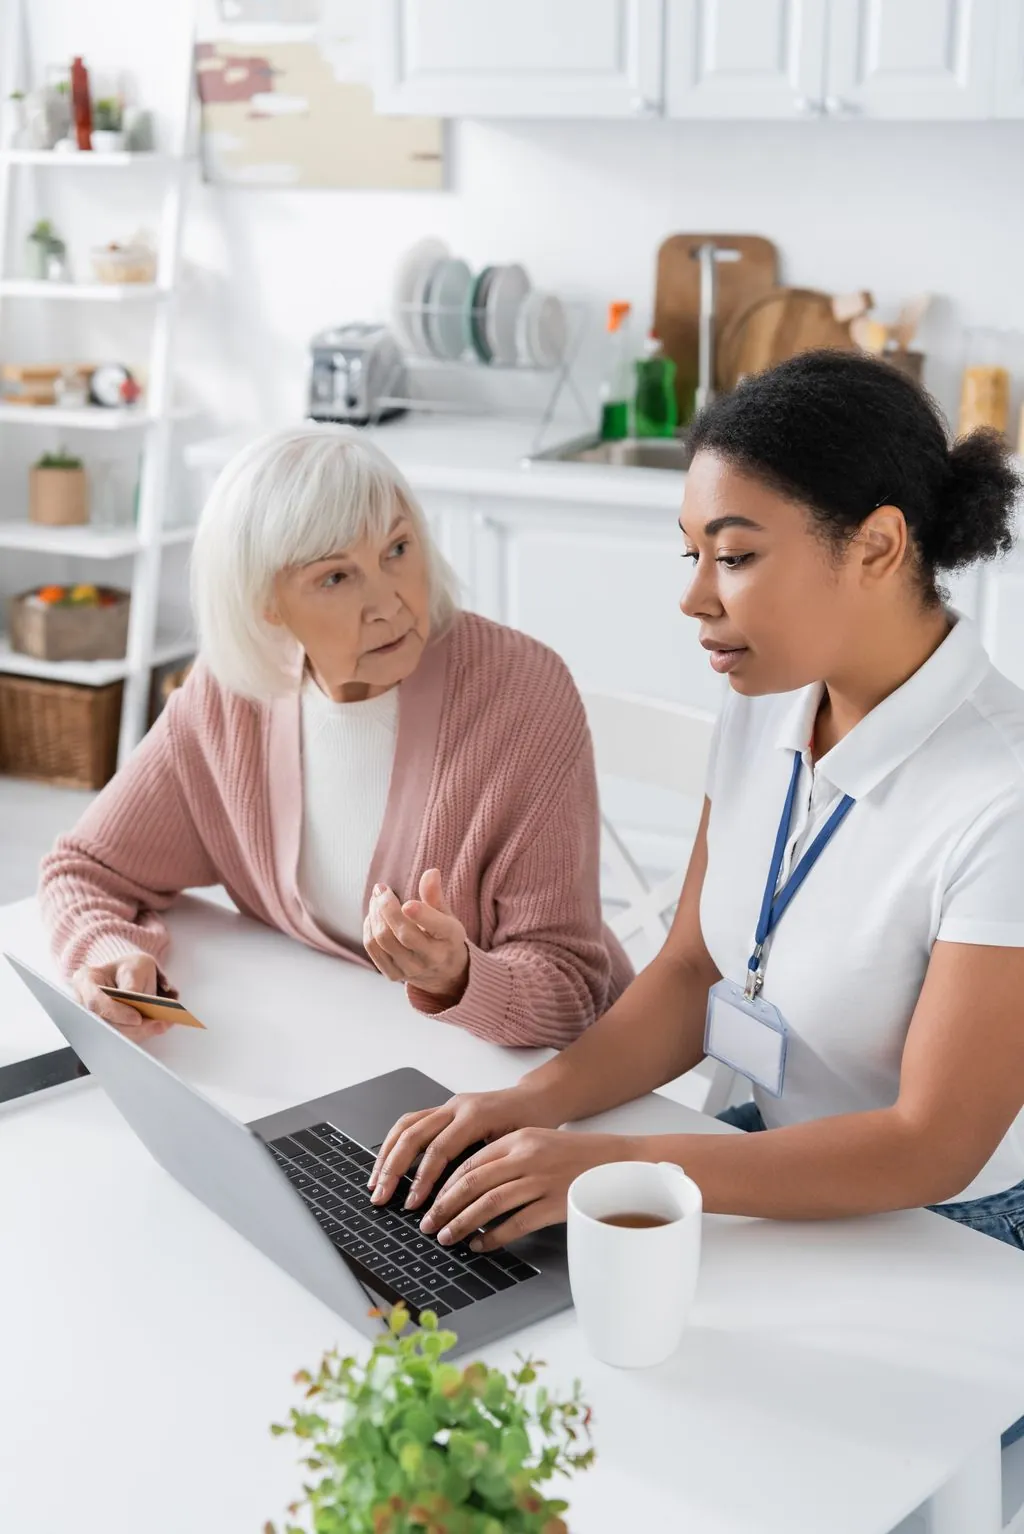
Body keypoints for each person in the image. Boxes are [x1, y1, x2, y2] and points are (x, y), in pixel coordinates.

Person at [370, 353, 1024, 1394]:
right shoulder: (769, 695)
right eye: (691, 553)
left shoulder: (1001, 796)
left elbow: (928, 1143)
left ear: (878, 544)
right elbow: (688, 971)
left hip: (948, 1233)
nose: (692, 597)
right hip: (759, 1151)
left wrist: (614, 1164)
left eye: (733, 555)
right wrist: (531, 1103)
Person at [39, 425, 631, 1046]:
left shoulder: (521, 692)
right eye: (336, 578)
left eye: (397, 550)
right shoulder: (229, 699)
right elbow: (83, 871)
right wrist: (108, 954)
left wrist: (460, 977)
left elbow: (572, 991)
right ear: (268, 604)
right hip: (341, 1056)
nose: (389, 603)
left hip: (552, 1090)